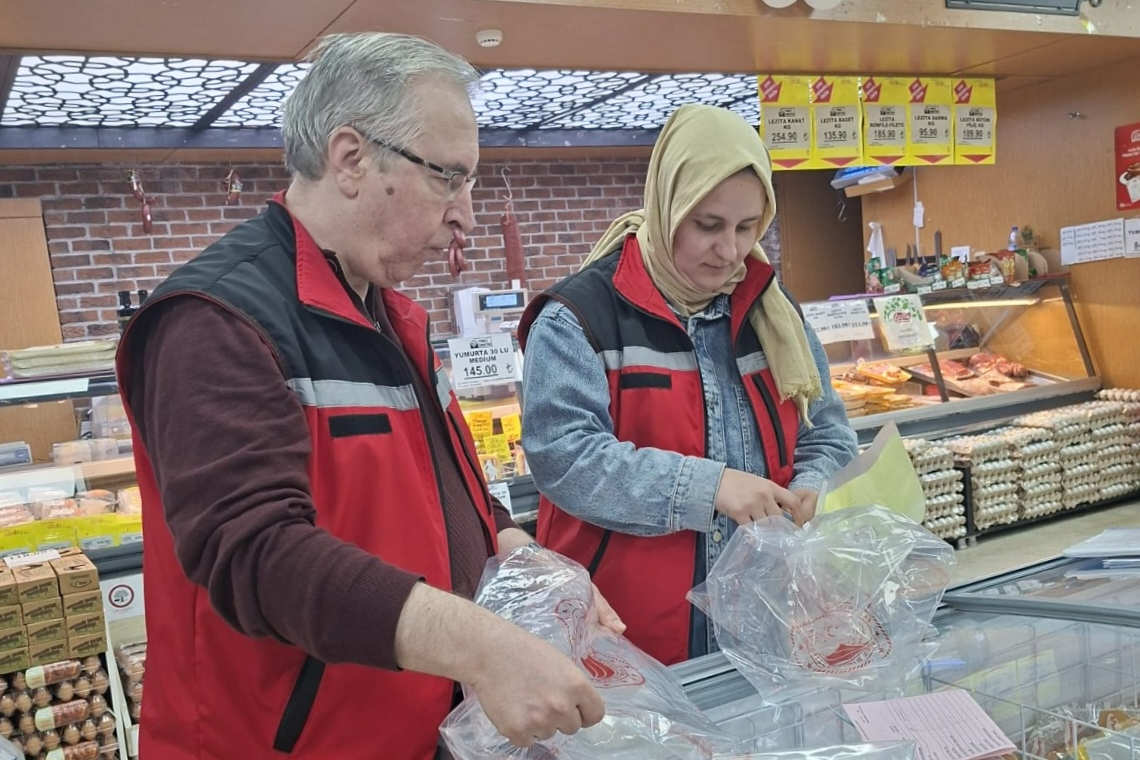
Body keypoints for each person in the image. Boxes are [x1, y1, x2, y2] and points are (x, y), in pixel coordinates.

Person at [115, 32, 622, 760]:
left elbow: (435, 487)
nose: (466, 216)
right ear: (351, 158)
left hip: (410, 732)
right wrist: (482, 647)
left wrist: (515, 551)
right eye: (449, 177)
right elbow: (257, 551)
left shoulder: (388, 311)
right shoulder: (215, 320)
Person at [518, 104, 860, 667]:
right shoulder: (577, 318)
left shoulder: (771, 312)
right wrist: (710, 488)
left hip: (766, 625)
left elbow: (826, 430)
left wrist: (815, 483)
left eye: (748, 228)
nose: (730, 251)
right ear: (667, 205)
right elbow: (566, 458)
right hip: (629, 640)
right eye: (708, 226)